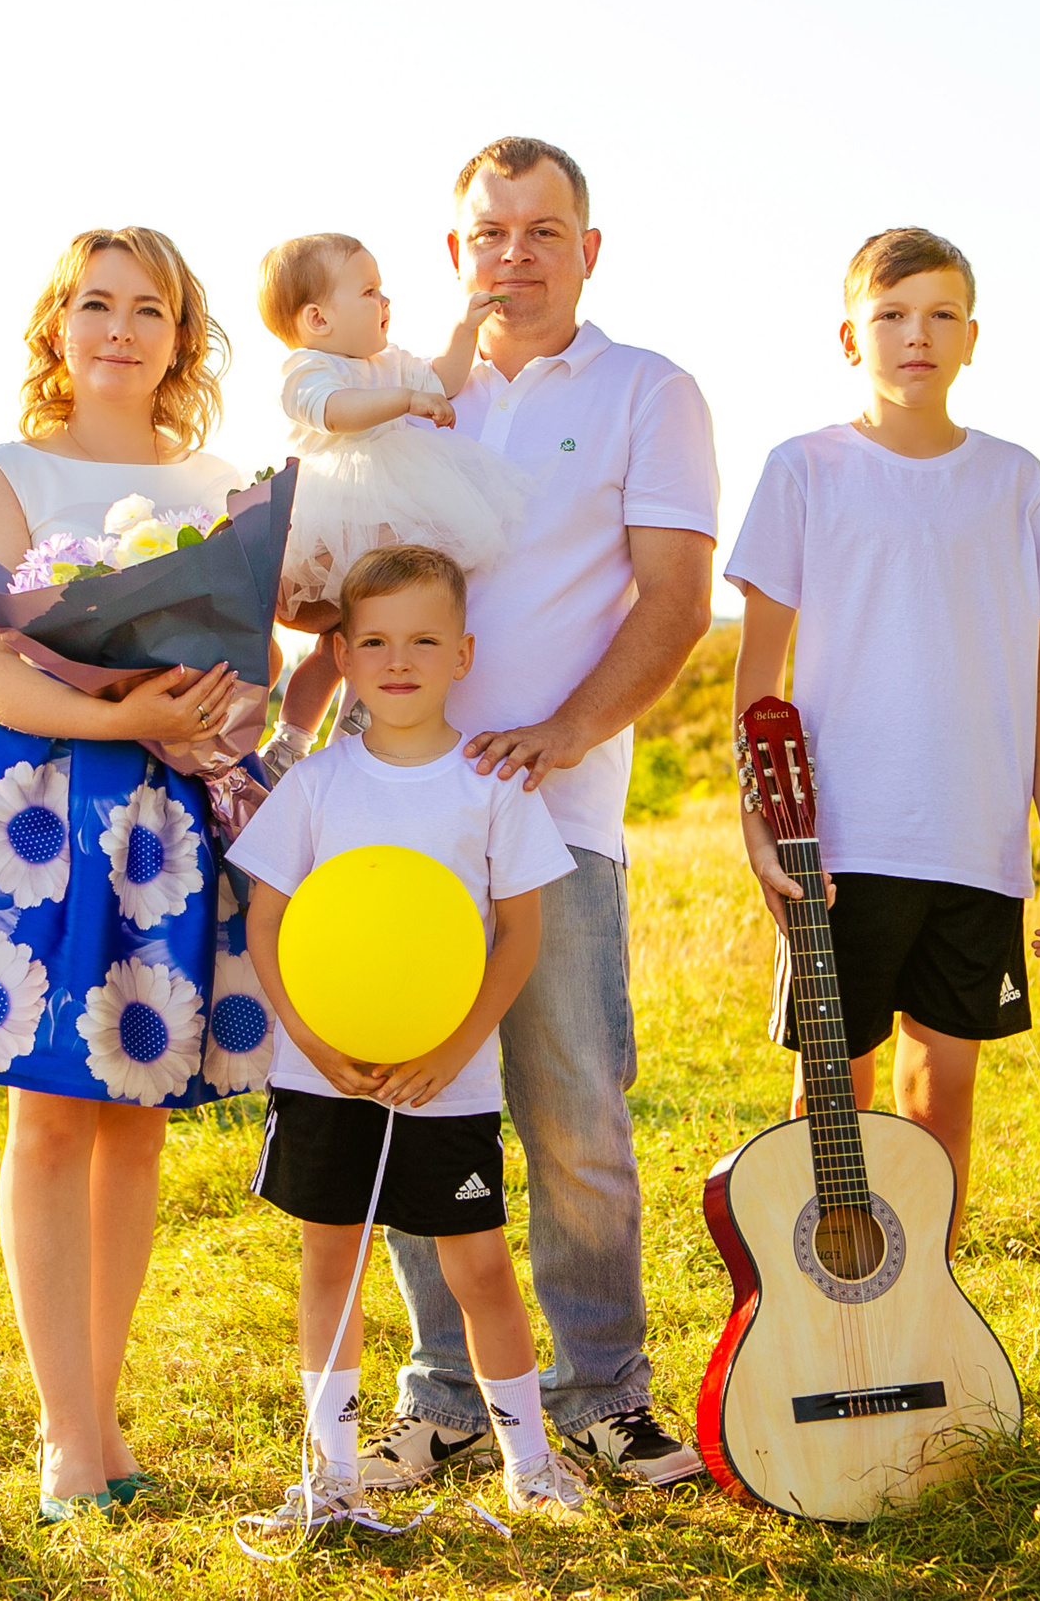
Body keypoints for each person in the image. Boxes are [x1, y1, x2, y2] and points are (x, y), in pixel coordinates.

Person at [0, 227, 269, 1522]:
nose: (121, 329)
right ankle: (64, 1432)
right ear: (57, 325)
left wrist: (212, 712)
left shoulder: (221, 479)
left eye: (151, 309)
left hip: (169, 820)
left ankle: (102, 1401)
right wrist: (128, 718)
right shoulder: (7, 470)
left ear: (182, 338)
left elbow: (242, 667)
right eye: (96, 303)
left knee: (134, 1116)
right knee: (51, 1117)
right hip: (38, 810)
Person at [365, 137, 720, 1491]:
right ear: (456, 255)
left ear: (589, 249)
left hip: (558, 815)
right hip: (398, 816)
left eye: (543, 228)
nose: (514, 251)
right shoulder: (409, 406)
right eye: (490, 230)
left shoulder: (650, 391)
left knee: (573, 1105)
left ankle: (602, 1394)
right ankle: (446, 1392)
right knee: (417, 1096)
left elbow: (676, 598)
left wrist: (566, 732)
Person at [725, 226, 1040, 1256]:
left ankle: (920, 1320)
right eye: (889, 315)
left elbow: (1035, 681)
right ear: (850, 337)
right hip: (839, 842)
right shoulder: (802, 470)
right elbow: (759, 684)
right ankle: (816, 1334)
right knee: (827, 1107)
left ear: (971, 338)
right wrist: (761, 829)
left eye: (938, 315)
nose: (914, 336)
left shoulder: (1014, 481)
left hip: (972, 845)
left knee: (942, 1106)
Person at [228, 545, 587, 1527]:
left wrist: (450, 1048)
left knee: (476, 1268)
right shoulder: (311, 785)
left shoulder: (490, 786)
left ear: (462, 653)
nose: (399, 660)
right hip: (321, 1073)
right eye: (375, 641)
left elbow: (517, 933)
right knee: (329, 1266)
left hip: (450, 1080)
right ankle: (332, 1477)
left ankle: (530, 1468)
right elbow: (267, 921)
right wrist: (310, 1039)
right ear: (340, 655)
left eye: (423, 640)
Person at [251, 233, 525, 773]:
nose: (385, 302)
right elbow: (334, 412)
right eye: (370, 291)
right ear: (318, 320)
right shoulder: (306, 370)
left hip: (388, 512)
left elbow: (443, 380)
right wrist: (404, 400)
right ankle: (290, 740)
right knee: (331, 643)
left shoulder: (390, 361)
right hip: (333, 514)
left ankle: (355, 724)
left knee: (374, 627)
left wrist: (465, 331)